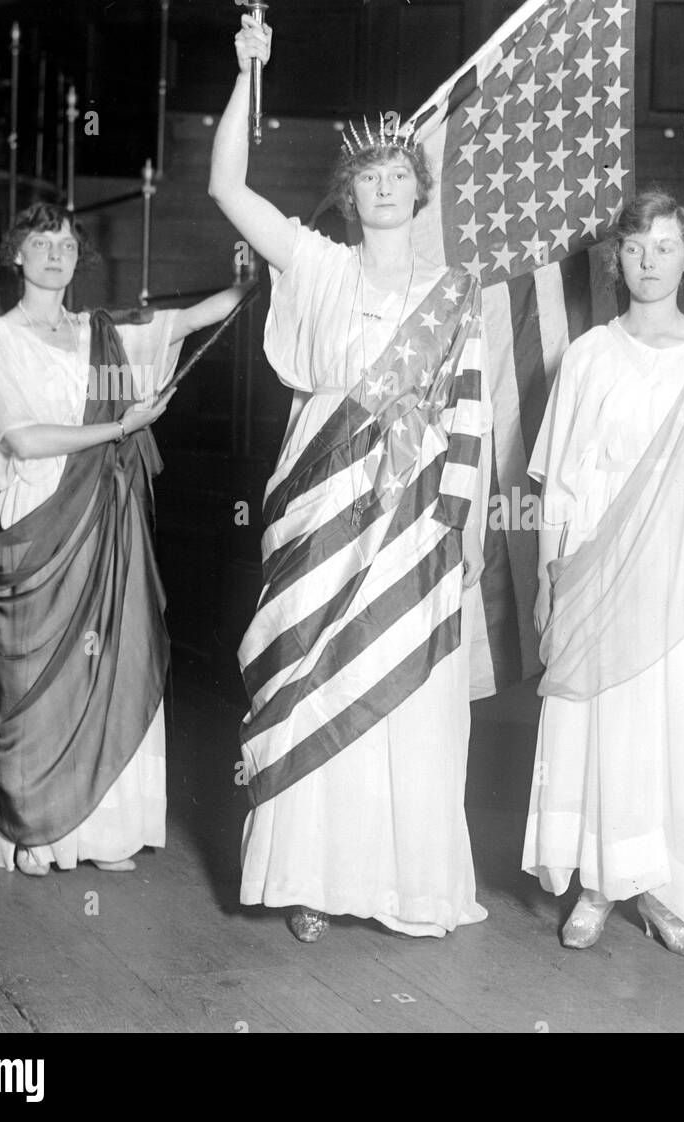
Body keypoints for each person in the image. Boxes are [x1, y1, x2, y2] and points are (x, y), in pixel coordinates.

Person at [209, 15, 493, 941]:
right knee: (312, 672)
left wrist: (469, 534)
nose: (383, 187)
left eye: (399, 175)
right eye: (368, 176)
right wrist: (249, 74)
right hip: (322, 504)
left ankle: (405, 886)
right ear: (350, 192)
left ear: (422, 190)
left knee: (407, 695)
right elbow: (224, 185)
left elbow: (473, 423)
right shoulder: (319, 265)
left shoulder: (456, 293)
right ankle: (309, 877)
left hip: (416, 514)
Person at [523, 191, 684, 957]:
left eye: (665, 247)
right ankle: (600, 885)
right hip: (601, 568)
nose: (649, 261)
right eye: (635, 248)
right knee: (609, 724)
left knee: (679, 728)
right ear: (617, 259)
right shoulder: (590, 356)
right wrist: (547, 579)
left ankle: (667, 894)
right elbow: (557, 484)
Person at [0, 201, 251, 876]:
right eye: (41, 242)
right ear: (17, 254)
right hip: (40, 518)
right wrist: (119, 429)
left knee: (114, 660)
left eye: (66, 243)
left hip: (110, 515)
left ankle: (101, 834)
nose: (55, 253)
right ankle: (34, 829)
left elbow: (186, 320)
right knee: (37, 677)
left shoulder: (101, 330)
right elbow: (25, 438)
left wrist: (249, 277)